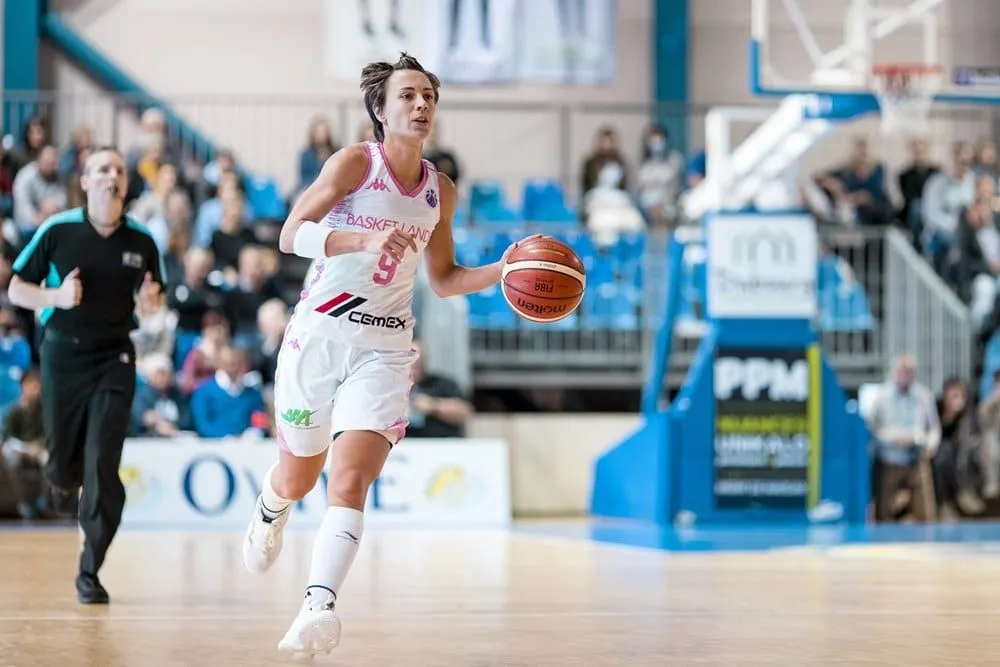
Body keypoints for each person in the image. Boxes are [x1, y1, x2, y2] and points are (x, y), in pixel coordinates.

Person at [240, 52, 541, 659]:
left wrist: (506, 271)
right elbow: (289, 234)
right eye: (407, 95)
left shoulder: (440, 191)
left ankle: (316, 608)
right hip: (318, 337)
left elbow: (447, 277)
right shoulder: (354, 162)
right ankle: (272, 507)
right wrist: (364, 237)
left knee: (349, 480)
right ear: (381, 109)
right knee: (299, 477)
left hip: (384, 347)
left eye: (428, 95)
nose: (421, 104)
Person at [7, 145, 165, 604]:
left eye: (118, 169)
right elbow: (17, 288)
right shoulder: (57, 230)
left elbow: (155, 303)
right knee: (62, 465)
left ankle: (90, 568)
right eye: (101, 168)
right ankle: (58, 480)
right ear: (85, 180)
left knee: (102, 463)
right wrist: (56, 298)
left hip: (115, 357)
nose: (111, 175)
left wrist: (151, 305)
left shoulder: (142, 241)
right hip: (62, 356)